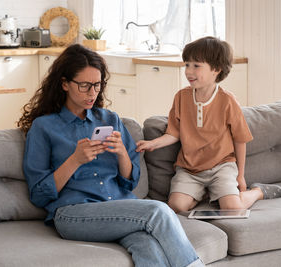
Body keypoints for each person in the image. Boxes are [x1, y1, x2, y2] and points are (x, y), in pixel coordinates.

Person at [19, 44, 204, 267]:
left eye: (97, 85)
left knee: (148, 246)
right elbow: (39, 194)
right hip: (73, 214)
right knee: (157, 210)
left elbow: (130, 182)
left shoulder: (110, 119)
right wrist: (75, 160)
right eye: (84, 85)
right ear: (65, 84)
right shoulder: (44, 127)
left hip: (118, 207)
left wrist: (122, 154)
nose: (92, 93)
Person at [136, 36, 281, 213]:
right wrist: (152, 143)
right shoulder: (181, 97)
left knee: (233, 208)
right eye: (187, 65)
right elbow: (174, 133)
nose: (189, 71)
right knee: (176, 206)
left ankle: (258, 192)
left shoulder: (227, 101)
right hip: (189, 169)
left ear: (216, 69)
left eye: (196, 66)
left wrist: (240, 176)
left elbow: (240, 139)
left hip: (222, 167)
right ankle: (205, 193)